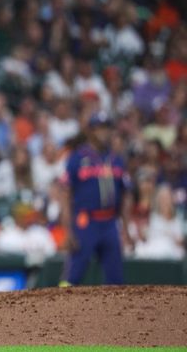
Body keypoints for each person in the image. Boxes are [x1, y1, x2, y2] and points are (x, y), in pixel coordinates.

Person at [60, 112, 131, 286]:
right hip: (85, 221)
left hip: (109, 222)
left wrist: (126, 229)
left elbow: (126, 195)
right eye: (99, 129)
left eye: (107, 129)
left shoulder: (116, 159)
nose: (104, 133)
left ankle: (116, 313)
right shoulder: (77, 158)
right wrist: (68, 230)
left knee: (116, 279)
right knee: (72, 276)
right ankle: (58, 310)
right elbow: (65, 195)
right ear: (90, 131)